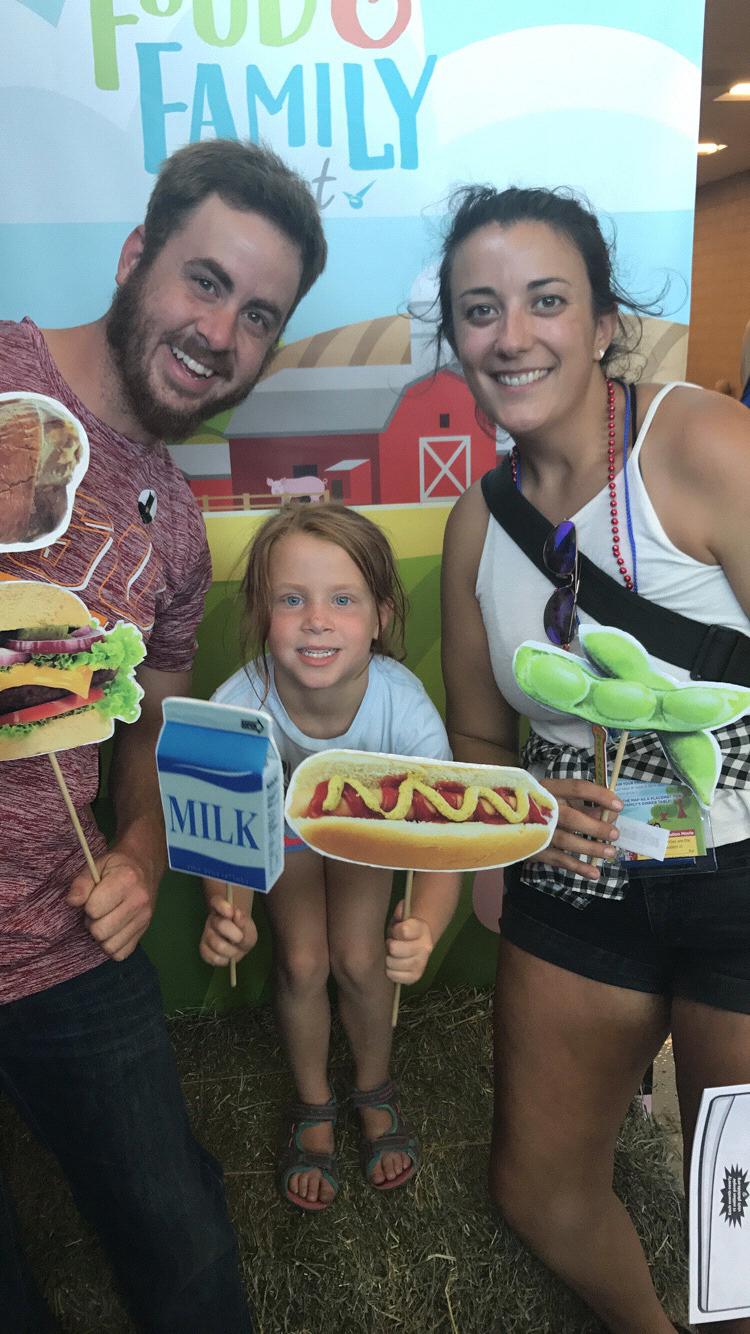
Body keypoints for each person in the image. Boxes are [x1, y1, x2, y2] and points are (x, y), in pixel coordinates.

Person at [0, 137, 326, 1332]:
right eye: (204, 280)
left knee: (186, 1252)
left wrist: (138, 851)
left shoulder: (176, 531)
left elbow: (142, 734)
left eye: (257, 315)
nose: (219, 333)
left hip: (65, 932)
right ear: (138, 255)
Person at [439, 185, 750, 1334]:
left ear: (605, 320)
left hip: (744, 868)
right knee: (536, 1185)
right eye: (481, 308)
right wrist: (509, 822)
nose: (512, 333)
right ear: (458, 341)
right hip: (580, 873)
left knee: (742, 1220)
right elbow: (480, 736)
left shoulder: (704, 443)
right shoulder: (478, 524)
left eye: (546, 299)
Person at [199, 503, 461, 1211]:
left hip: (364, 828)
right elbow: (226, 837)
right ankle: (313, 1102)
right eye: (292, 600)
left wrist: (427, 924)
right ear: (261, 612)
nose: (316, 620)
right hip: (280, 827)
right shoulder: (237, 704)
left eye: (341, 600)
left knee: (358, 958)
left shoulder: (404, 711)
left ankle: (374, 1085)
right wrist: (228, 913)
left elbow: (442, 842)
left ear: (378, 616)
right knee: (302, 962)